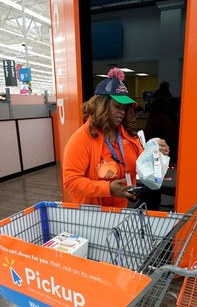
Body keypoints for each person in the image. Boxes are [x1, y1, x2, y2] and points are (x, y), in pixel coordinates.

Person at [63, 68, 169, 208]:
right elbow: (70, 181)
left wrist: (156, 151)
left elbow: (144, 163)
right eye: (117, 106)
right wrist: (108, 189)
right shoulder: (82, 139)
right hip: (91, 216)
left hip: (120, 212)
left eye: (124, 108)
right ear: (102, 105)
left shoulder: (129, 136)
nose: (121, 112)